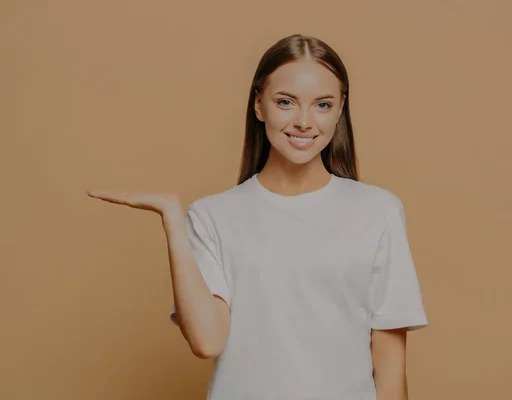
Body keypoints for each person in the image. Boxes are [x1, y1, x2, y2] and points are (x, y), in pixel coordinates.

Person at [87, 34, 428, 400]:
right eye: (285, 102)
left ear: (341, 108)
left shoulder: (377, 212)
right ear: (258, 105)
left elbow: (391, 370)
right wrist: (173, 219)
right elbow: (207, 340)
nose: (304, 121)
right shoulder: (212, 216)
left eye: (322, 105)